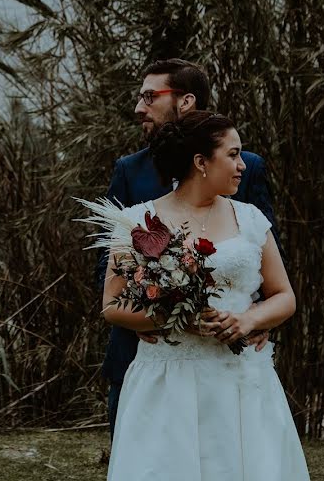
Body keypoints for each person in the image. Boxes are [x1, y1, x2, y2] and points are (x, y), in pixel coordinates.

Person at [101, 111, 310, 480]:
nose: (242, 165)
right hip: (168, 379)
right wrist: (175, 317)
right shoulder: (138, 222)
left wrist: (249, 319)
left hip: (241, 379)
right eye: (233, 154)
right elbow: (112, 306)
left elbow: (284, 296)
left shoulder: (250, 219)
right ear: (201, 162)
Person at [97, 59, 280, 438]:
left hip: (231, 349)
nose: (139, 107)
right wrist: (150, 316)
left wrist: (259, 317)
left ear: (185, 102)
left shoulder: (244, 168)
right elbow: (107, 267)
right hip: (144, 349)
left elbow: (266, 260)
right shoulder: (130, 171)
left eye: (150, 96)